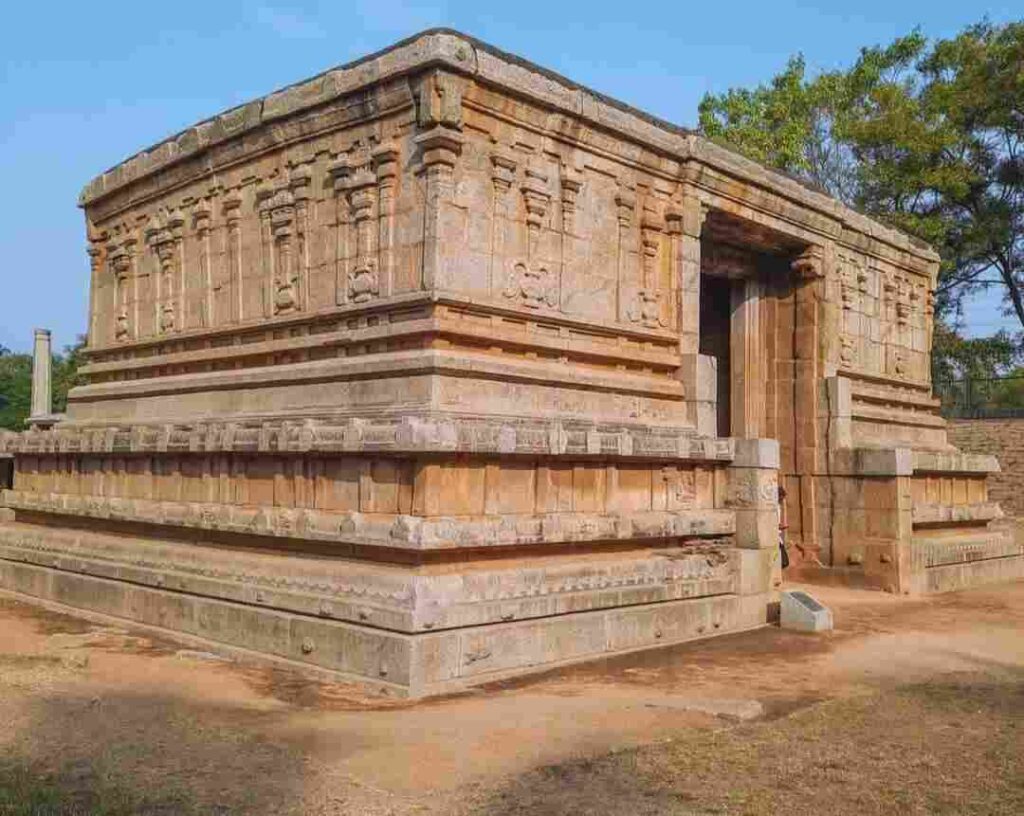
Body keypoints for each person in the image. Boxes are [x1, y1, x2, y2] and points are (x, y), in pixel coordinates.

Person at [778, 484, 790, 569]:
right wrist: (781, 527)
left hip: (778, 537)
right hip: (774, 538)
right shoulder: (774, 507)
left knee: (784, 561)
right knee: (784, 561)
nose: (782, 500)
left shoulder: (778, 507)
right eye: (781, 497)